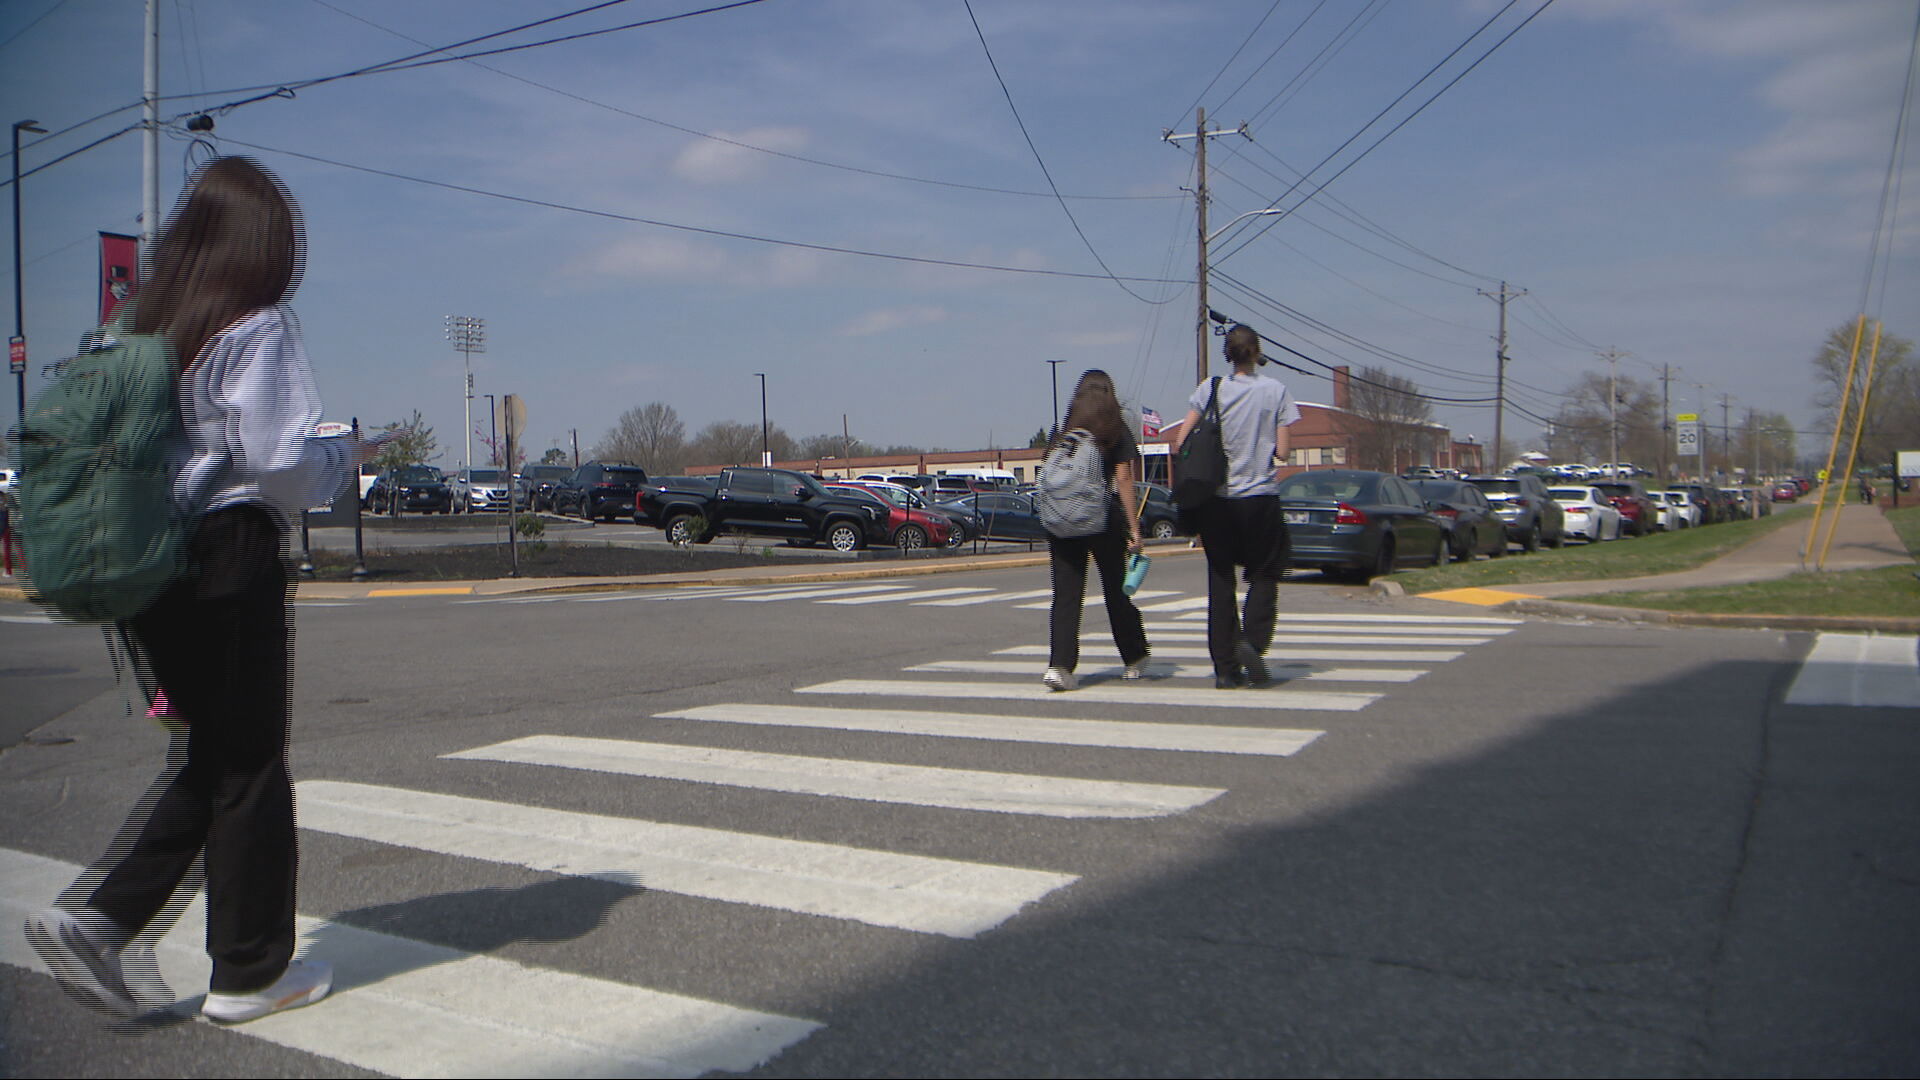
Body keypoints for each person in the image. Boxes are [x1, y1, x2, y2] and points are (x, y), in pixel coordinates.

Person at [25, 157, 375, 1024]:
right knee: (251, 764)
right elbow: (273, 464)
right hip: (230, 556)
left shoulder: (144, 322)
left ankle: (103, 923)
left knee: (215, 755)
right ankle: (249, 974)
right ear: (265, 246)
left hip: (151, 568)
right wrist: (345, 455)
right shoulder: (257, 326)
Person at [1172, 323, 1300, 689]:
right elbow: (1284, 451)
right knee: (1265, 572)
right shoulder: (1276, 391)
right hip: (1259, 497)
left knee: (1220, 580)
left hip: (1218, 500)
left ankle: (1225, 668)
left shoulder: (1210, 389)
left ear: (1228, 354)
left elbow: (1183, 440)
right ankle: (1253, 642)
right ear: (1257, 352)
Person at [1041, 369, 1151, 691]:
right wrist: (1134, 529)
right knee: (1116, 591)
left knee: (1065, 595)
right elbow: (1124, 479)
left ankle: (1060, 666)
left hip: (1061, 523)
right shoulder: (1114, 430)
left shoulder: (1063, 432)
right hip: (1102, 520)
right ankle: (1134, 657)